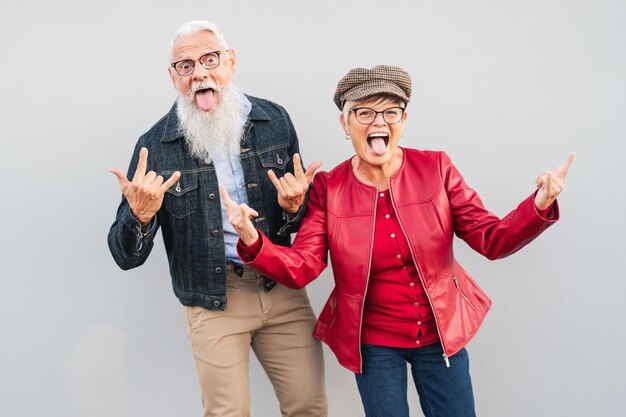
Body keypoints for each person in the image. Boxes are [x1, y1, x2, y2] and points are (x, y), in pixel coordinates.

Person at [221, 65, 574, 417]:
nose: (379, 122)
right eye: (365, 112)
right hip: (374, 344)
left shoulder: (436, 167)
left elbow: (491, 239)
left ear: (403, 121)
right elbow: (304, 266)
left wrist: (539, 204)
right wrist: (253, 240)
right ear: (345, 125)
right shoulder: (330, 187)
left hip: (440, 334)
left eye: (391, 112)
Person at [107, 20, 327, 417]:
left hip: (281, 285)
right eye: (185, 65)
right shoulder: (155, 146)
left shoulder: (275, 120)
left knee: (310, 406)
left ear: (231, 61)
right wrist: (139, 217)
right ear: (173, 78)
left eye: (210, 59)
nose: (200, 73)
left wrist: (297, 208)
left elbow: (306, 224)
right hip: (214, 297)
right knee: (227, 413)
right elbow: (126, 256)